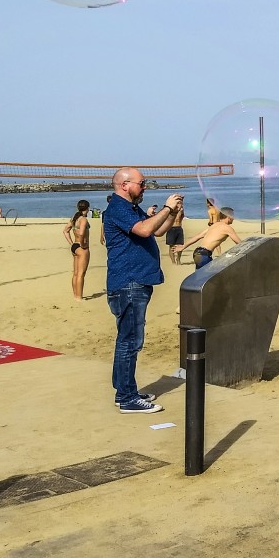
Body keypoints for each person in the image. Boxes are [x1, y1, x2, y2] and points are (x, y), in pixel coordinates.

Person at [104, 168, 182, 414]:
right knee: (130, 342)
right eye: (142, 183)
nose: (145, 187)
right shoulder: (118, 208)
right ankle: (126, 398)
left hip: (134, 282)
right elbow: (145, 230)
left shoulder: (130, 208)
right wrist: (167, 208)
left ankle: (125, 390)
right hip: (129, 282)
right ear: (124, 185)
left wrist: (173, 214)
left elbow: (156, 230)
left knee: (127, 340)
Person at [64, 199, 93, 301]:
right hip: (81, 247)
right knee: (81, 273)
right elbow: (81, 233)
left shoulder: (74, 218)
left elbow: (65, 231)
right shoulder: (83, 219)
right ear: (88, 208)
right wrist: (82, 243)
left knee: (76, 273)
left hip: (75, 246)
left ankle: (75, 295)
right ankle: (79, 297)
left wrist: (72, 243)